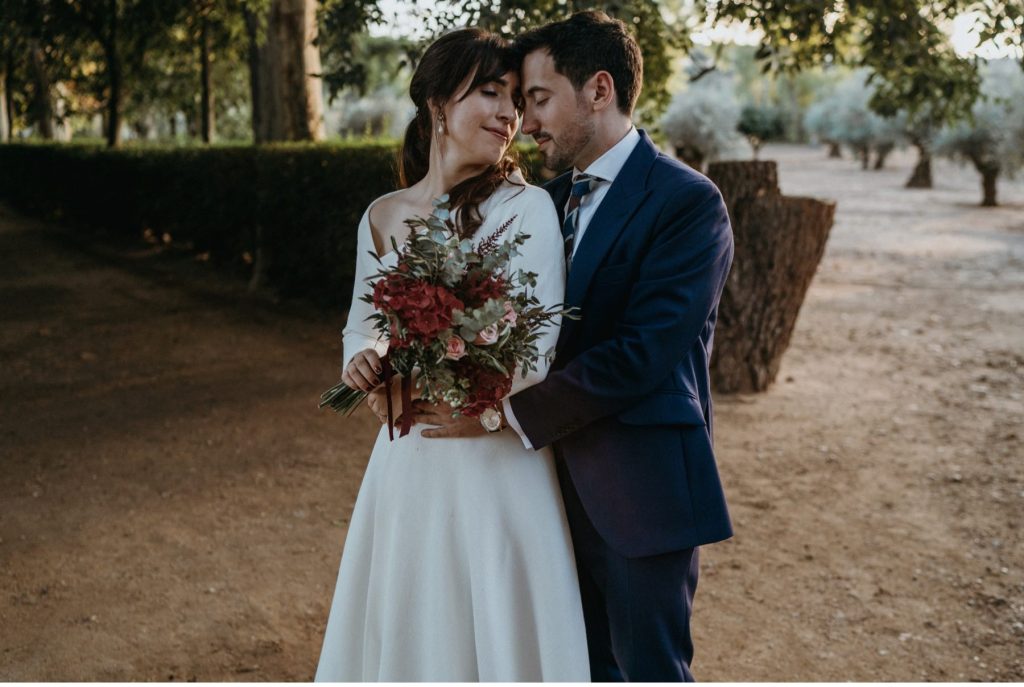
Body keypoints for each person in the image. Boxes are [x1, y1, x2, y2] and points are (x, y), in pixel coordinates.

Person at [412, 11, 735, 682]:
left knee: (647, 669)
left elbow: (640, 355)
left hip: (636, 490)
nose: (525, 123)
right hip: (543, 493)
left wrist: (502, 415)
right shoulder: (542, 202)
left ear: (598, 89)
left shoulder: (686, 202)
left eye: (537, 99)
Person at [313, 27, 590, 681]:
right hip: (408, 459)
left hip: (497, 462)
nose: (508, 114)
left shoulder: (526, 210)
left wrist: (456, 374)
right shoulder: (383, 215)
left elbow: (538, 347)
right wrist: (364, 362)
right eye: (490, 93)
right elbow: (364, 322)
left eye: (517, 100)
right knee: (413, 628)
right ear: (438, 104)